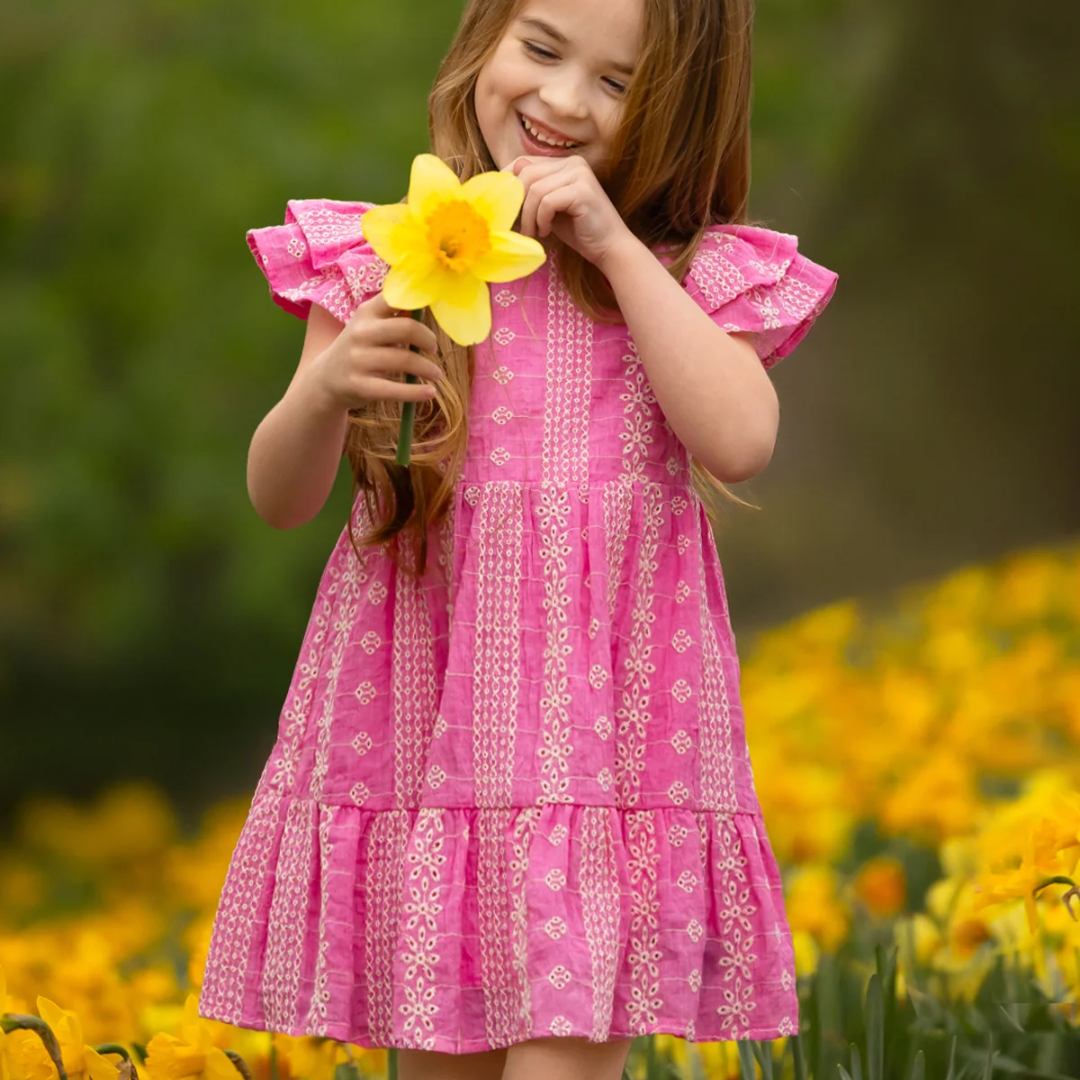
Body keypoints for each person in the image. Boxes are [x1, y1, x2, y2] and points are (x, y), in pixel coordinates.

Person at [198, 0, 838, 1077]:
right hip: (431, 747)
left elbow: (740, 440)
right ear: (482, 37)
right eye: (539, 48)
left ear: (678, 110)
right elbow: (280, 498)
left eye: (618, 83)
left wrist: (614, 248)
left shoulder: (679, 272)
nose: (561, 101)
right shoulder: (393, 255)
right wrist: (325, 392)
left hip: (601, 757)